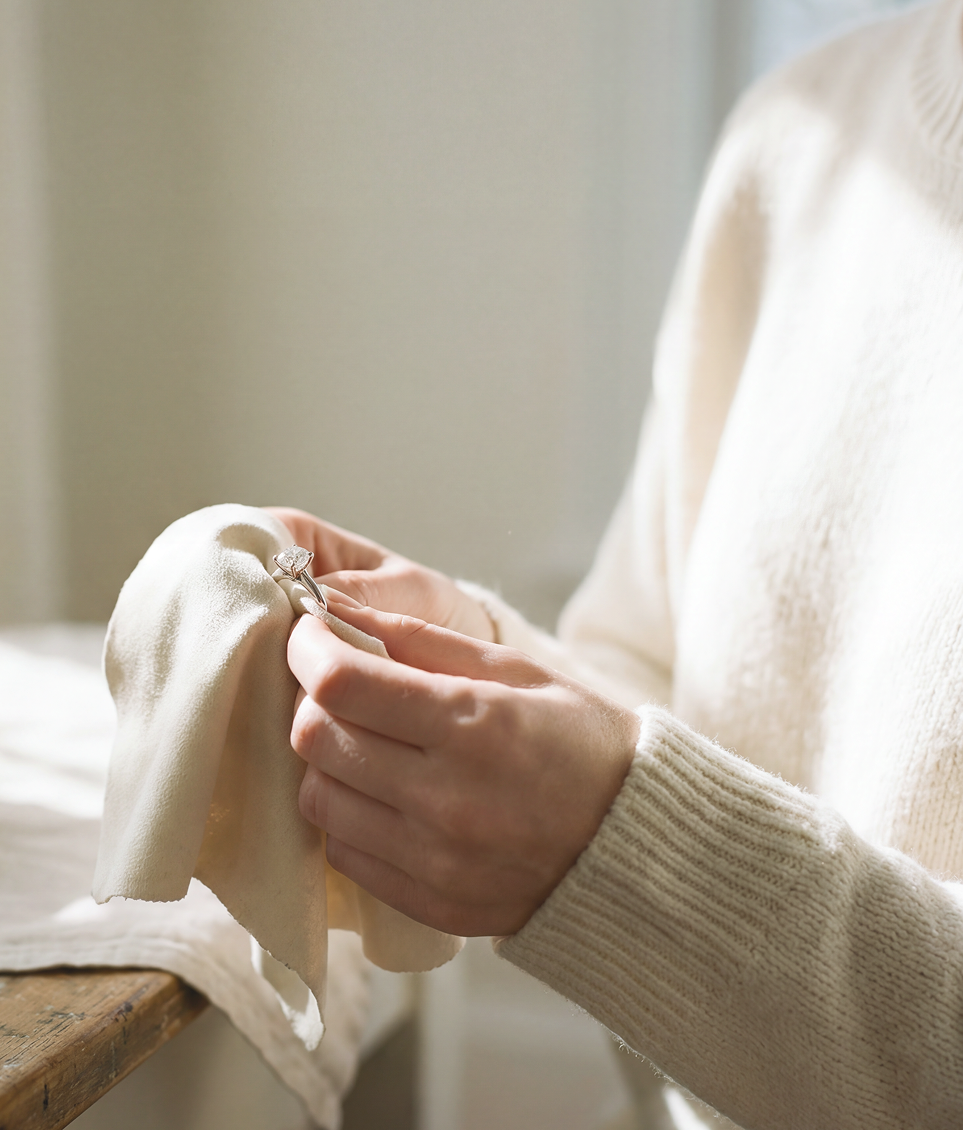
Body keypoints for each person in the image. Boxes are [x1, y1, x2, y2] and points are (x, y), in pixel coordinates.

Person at [268, 2, 963, 1126]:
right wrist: (471, 650)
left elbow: (636, 811)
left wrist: (628, 852)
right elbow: (647, 666)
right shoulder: (799, 136)